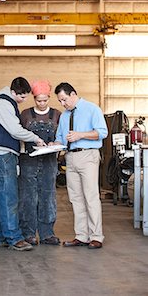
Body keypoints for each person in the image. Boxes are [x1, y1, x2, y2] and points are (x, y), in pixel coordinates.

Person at [0, 77, 46, 251]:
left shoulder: (6, 102)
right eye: (23, 97)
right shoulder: (3, 103)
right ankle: (14, 238)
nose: (23, 100)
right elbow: (15, 130)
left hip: (1, 153)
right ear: (13, 92)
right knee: (9, 196)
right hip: (3, 154)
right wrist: (35, 138)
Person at [52, 82, 108, 249]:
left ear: (73, 94)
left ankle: (96, 236)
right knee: (75, 198)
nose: (63, 104)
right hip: (70, 158)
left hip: (88, 155)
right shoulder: (64, 116)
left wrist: (80, 135)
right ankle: (81, 235)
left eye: (64, 99)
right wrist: (52, 144)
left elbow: (102, 132)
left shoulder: (92, 109)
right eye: (60, 101)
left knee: (90, 196)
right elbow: (61, 138)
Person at [18, 80, 61, 246]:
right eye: (38, 100)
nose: (42, 103)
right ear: (34, 98)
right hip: (28, 161)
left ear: (49, 97)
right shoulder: (25, 114)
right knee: (28, 197)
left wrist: (55, 144)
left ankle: (47, 233)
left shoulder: (57, 114)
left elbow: (61, 136)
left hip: (49, 161)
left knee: (48, 196)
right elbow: (19, 136)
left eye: (45, 100)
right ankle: (28, 233)